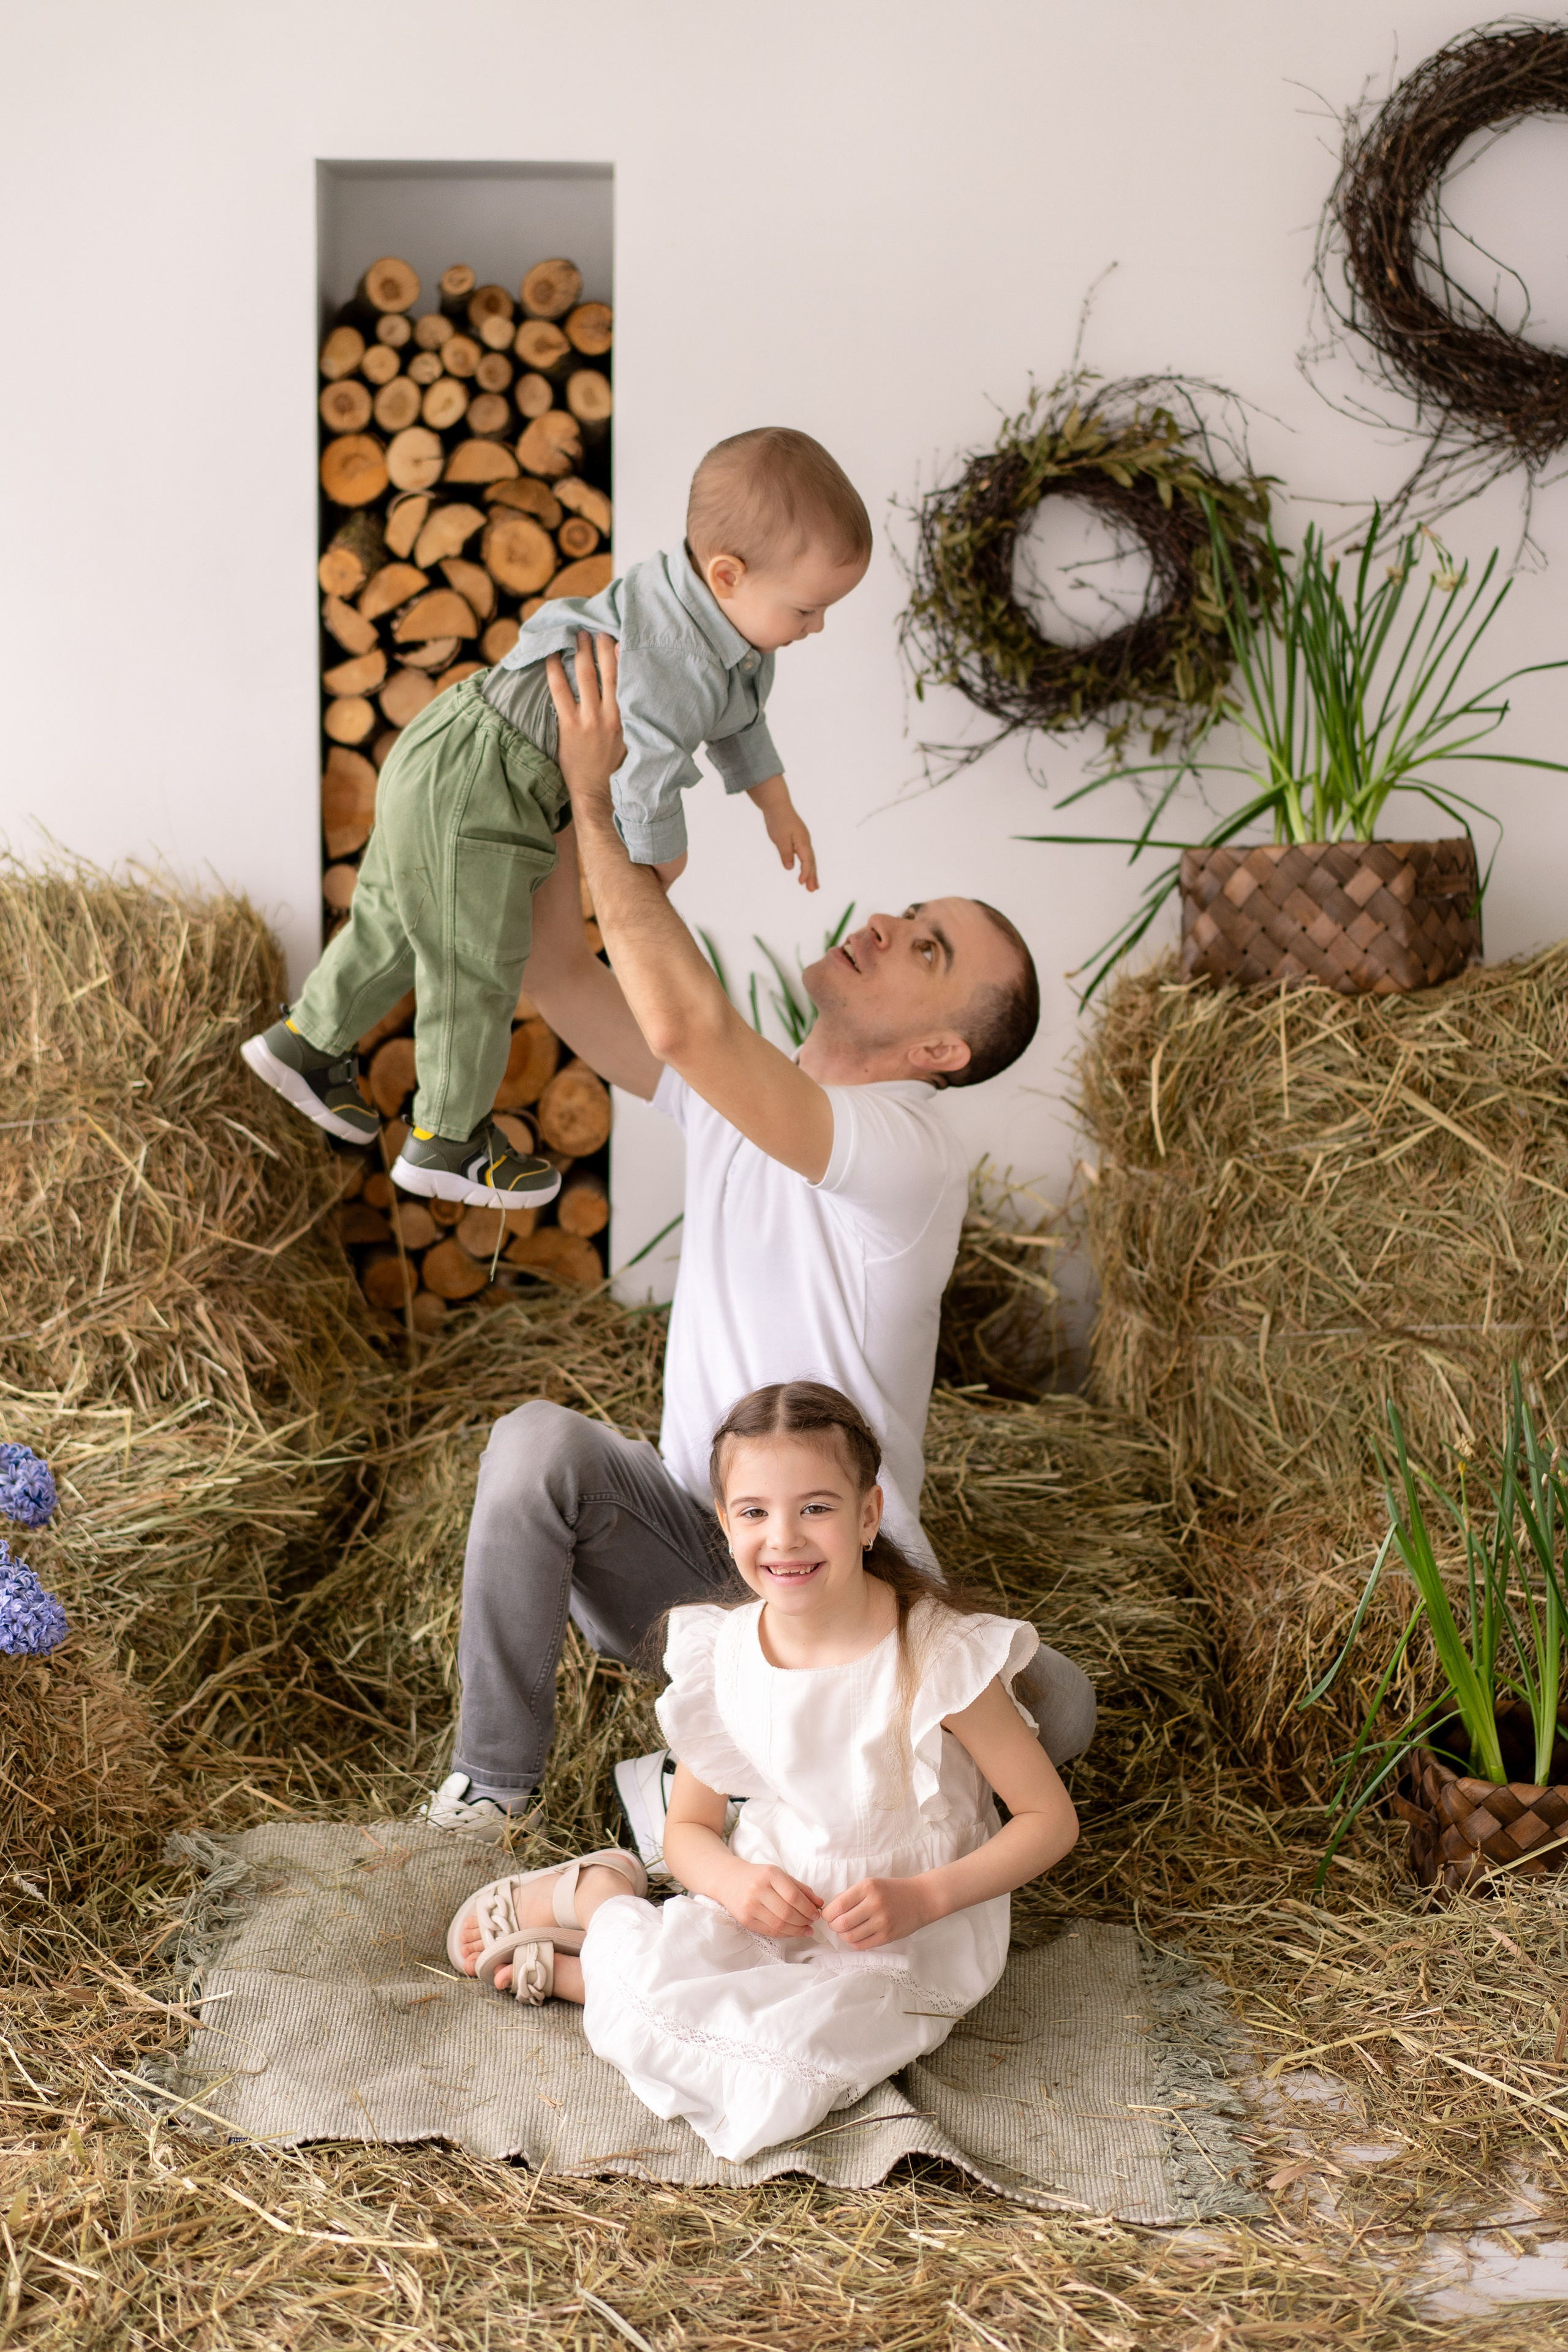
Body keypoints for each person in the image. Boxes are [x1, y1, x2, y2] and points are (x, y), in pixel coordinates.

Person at [418, 628, 1097, 1845]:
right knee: (535, 1449)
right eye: (909, 913)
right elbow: (562, 976)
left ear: (941, 1052)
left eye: (924, 948)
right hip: (695, 1557)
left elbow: (685, 1032)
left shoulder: (903, 1146)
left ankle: (738, 1793)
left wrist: (599, 794)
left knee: (1055, 1715)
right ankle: (491, 1794)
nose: (883, 923)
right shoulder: (748, 1103)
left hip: (841, 1583)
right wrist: (531, 779)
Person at [445, 1382, 1079, 2164]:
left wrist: (925, 1896)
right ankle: (602, 1901)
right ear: (723, 1521)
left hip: (907, 1932)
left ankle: (596, 1966)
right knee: (712, 1974)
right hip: (773, 1904)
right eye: (753, 1513)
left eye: (815, 1508)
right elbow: (691, 1831)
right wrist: (734, 1886)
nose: (784, 1539)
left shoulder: (940, 1655)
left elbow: (1049, 1820)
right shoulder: (723, 1654)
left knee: (795, 2067)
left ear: (868, 1514)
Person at [239, 427, 869, 1209]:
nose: (816, 628)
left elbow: (739, 721)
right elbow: (644, 769)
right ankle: (447, 1135)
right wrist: (656, 868)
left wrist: (777, 806)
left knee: (402, 919)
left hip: (451, 749)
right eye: (808, 609)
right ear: (728, 574)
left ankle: (307, 1043)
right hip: (489, 778)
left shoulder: (730, 632)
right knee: (479, 958)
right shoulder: (669, 653)